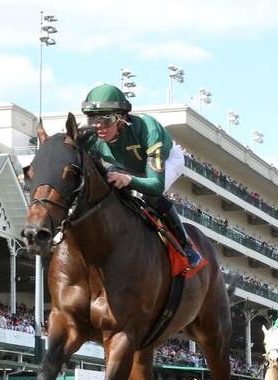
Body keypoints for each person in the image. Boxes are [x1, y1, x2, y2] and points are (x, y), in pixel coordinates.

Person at [79, 83, 201, 268]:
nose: (99, 127)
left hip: (167, 160)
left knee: (151, 196)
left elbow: (156, 185)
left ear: (122, 118)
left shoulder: (148, 129)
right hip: (126, 164)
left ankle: (185, 244)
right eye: (93, 119)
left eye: (107, 119)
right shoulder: (91, 136)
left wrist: (128, 179)